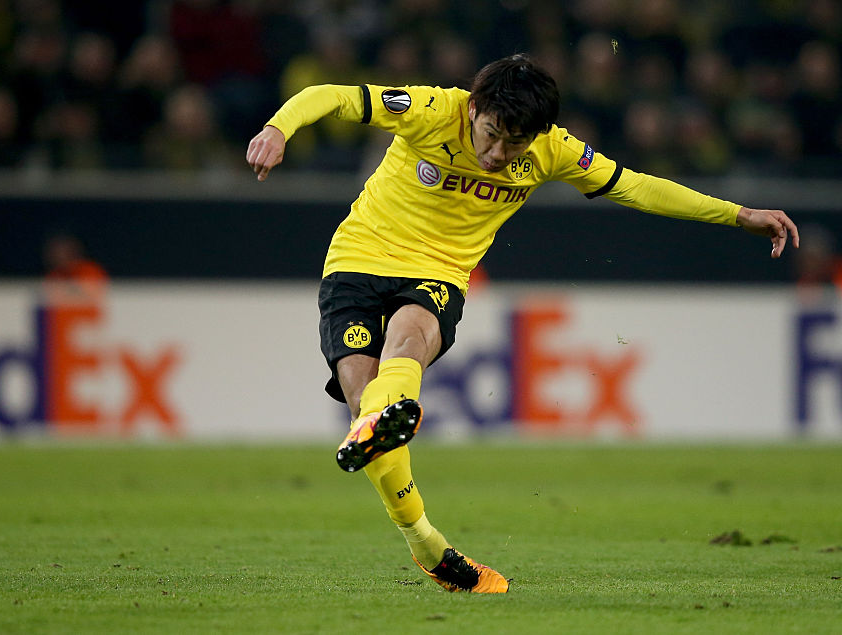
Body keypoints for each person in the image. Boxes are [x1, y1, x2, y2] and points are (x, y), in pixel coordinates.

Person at [245, 54, 799, 594]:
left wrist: (737, 214)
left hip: (437, 274)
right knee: (366, 414)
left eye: (515, 144)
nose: (497, 154)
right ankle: (426, 544)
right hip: (357, 262)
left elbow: (635, 186)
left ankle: (392, 427)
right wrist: (278, 128)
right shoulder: (431, 109)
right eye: (491, 135)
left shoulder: (554, 150)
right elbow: (332, 96)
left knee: (407, 343)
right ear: (473, 110)